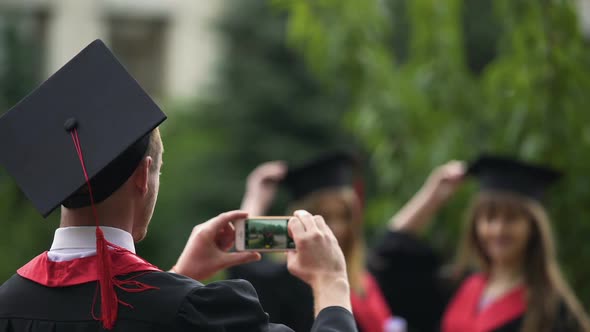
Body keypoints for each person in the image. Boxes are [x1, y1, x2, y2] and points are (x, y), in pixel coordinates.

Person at [0, 39, 357, 332]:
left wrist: (179, 276)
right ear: (144, 175)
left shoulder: (8, 306)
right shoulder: (197, 311)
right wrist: (331, 281)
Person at [376, 155, 590, 332]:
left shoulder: (552, 310)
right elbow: (389, 259)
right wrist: (431, 197)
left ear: (533, 228)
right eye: (489, 218)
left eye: (511, 219)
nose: (498, 229)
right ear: (475, 226)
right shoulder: (457, 286)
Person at [230, 152, 398, 332]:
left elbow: (399, 236)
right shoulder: (288, 279)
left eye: (344, 216)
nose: (336, 228)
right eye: (323, 217)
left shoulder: (365, 280)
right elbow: (244, 257)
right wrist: (255, 200)